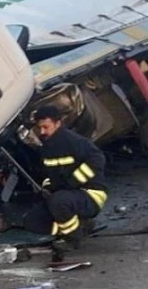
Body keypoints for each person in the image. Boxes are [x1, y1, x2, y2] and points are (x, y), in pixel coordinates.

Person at [31, 105, 108, 250]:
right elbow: (47, 174)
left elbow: (98, 159)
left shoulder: (74, 142)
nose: (42, 132)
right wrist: (47, 188)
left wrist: (73, 181)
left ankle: (73, 238)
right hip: (67, 194)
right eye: (39, 128)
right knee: (33, 220)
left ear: (58, 123)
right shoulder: (47, 148)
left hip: (91, 193)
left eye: (46, 127)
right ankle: (80, 225)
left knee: (59, 202)